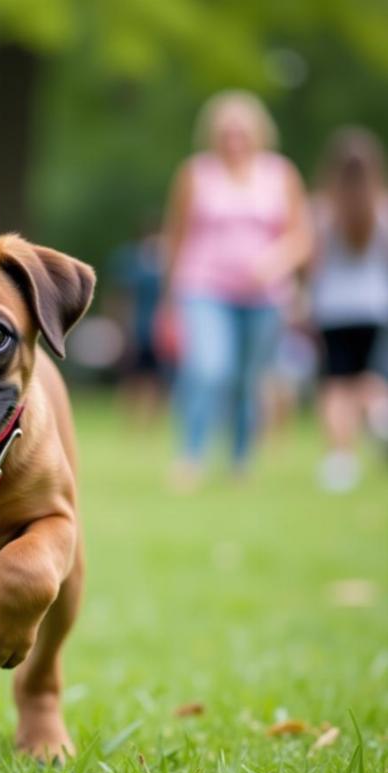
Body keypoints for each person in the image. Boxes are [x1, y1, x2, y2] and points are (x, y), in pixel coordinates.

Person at [162, 90, 312, 488]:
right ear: (213, 135)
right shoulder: (196, 173)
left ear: (259, 133)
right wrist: (168, 298)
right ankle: (190, 457)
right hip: (203, 287)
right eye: (226, 133)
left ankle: (241, 461)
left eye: (242, 132)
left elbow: (302, 235)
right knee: (210, 367)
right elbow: (175, 237)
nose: (234, 141)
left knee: (249, 380)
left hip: (265, 297)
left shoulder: (280, 174)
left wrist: (278, 259)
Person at [307, 127, 388, 492]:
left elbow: (312, 263)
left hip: (332, 309)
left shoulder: (322, 211)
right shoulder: (382, 209)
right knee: (369, 382)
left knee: (336, 386)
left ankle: (341, 458)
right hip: (374, 306)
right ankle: (378, 421)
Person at [110, 216, 166, 423]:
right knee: (132, 374)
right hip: (134, 328)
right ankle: (130, 418)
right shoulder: (131, 262)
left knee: (156, 376)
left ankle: (150, 420)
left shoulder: (165, 265)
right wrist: (121, 325)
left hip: (157, 330)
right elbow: (120, 296)